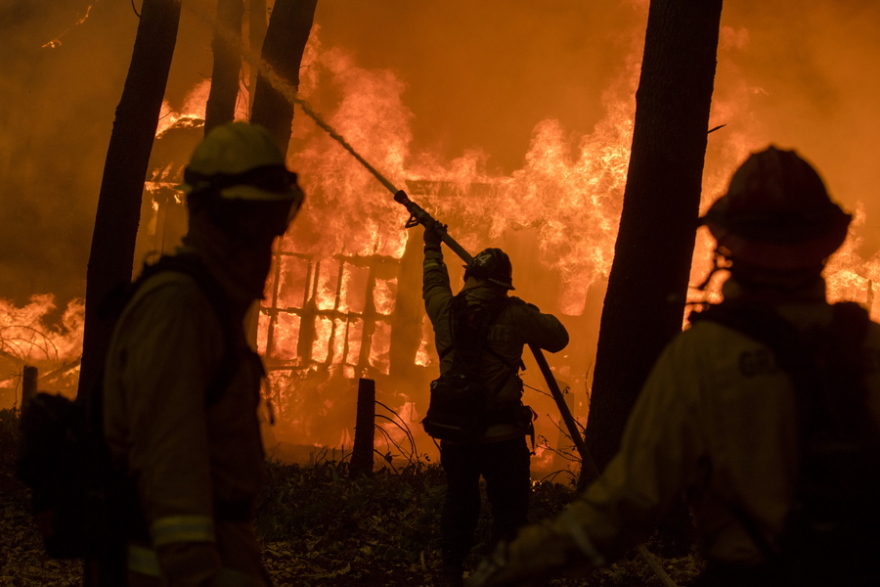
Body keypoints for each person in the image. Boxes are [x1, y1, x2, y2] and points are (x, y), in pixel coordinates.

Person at [467, 146, 880, 587]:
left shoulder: (705, 355)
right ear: (825, 244)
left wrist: (521, 561)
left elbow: (629, 503)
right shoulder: (869, 344)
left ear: (728, 246)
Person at [103, 122, 304, 587]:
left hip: (222, 547)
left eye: (273, 228)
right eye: (252, 227)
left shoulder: (209, 306)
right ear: (215, 220)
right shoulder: (179, 308)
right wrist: (198, 573)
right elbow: (171, 460)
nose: (264, 248)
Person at [421, 226, 569, 587]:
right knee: (509, 511)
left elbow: (433, 283)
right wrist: (530, 312)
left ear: (469, 278)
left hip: (456, 434)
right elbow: (558, 336)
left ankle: (451, 572)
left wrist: (431, 247)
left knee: (459, 502)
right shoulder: (514, 313)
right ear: (503, 285)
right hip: (502, 437)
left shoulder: (444, 309)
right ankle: (502, 577)